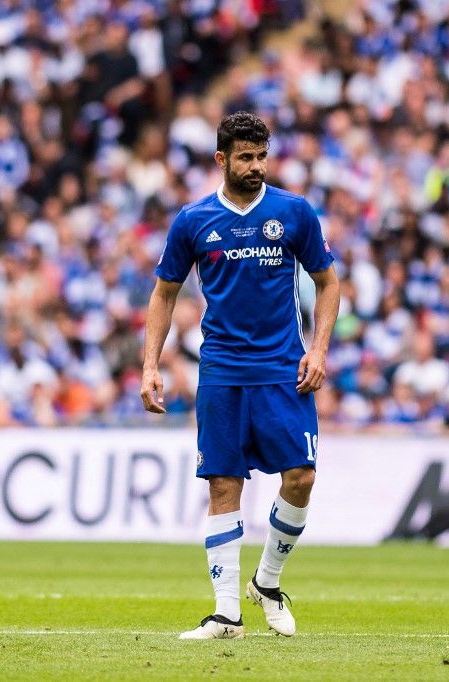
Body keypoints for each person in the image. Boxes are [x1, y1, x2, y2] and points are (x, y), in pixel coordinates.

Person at [141, 112, 339, 639]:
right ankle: (226, 613)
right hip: (223, 370)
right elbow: (164, 293)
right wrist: (150, 365)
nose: (255, 167)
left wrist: (318, 349)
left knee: (301, 477)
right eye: (245, 157)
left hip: (282, 368)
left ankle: (267, 583)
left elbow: (328, 283)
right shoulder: (193, 220)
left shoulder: (294, 213)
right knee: (223, 484)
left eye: (261, 157)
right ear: (221, 160)